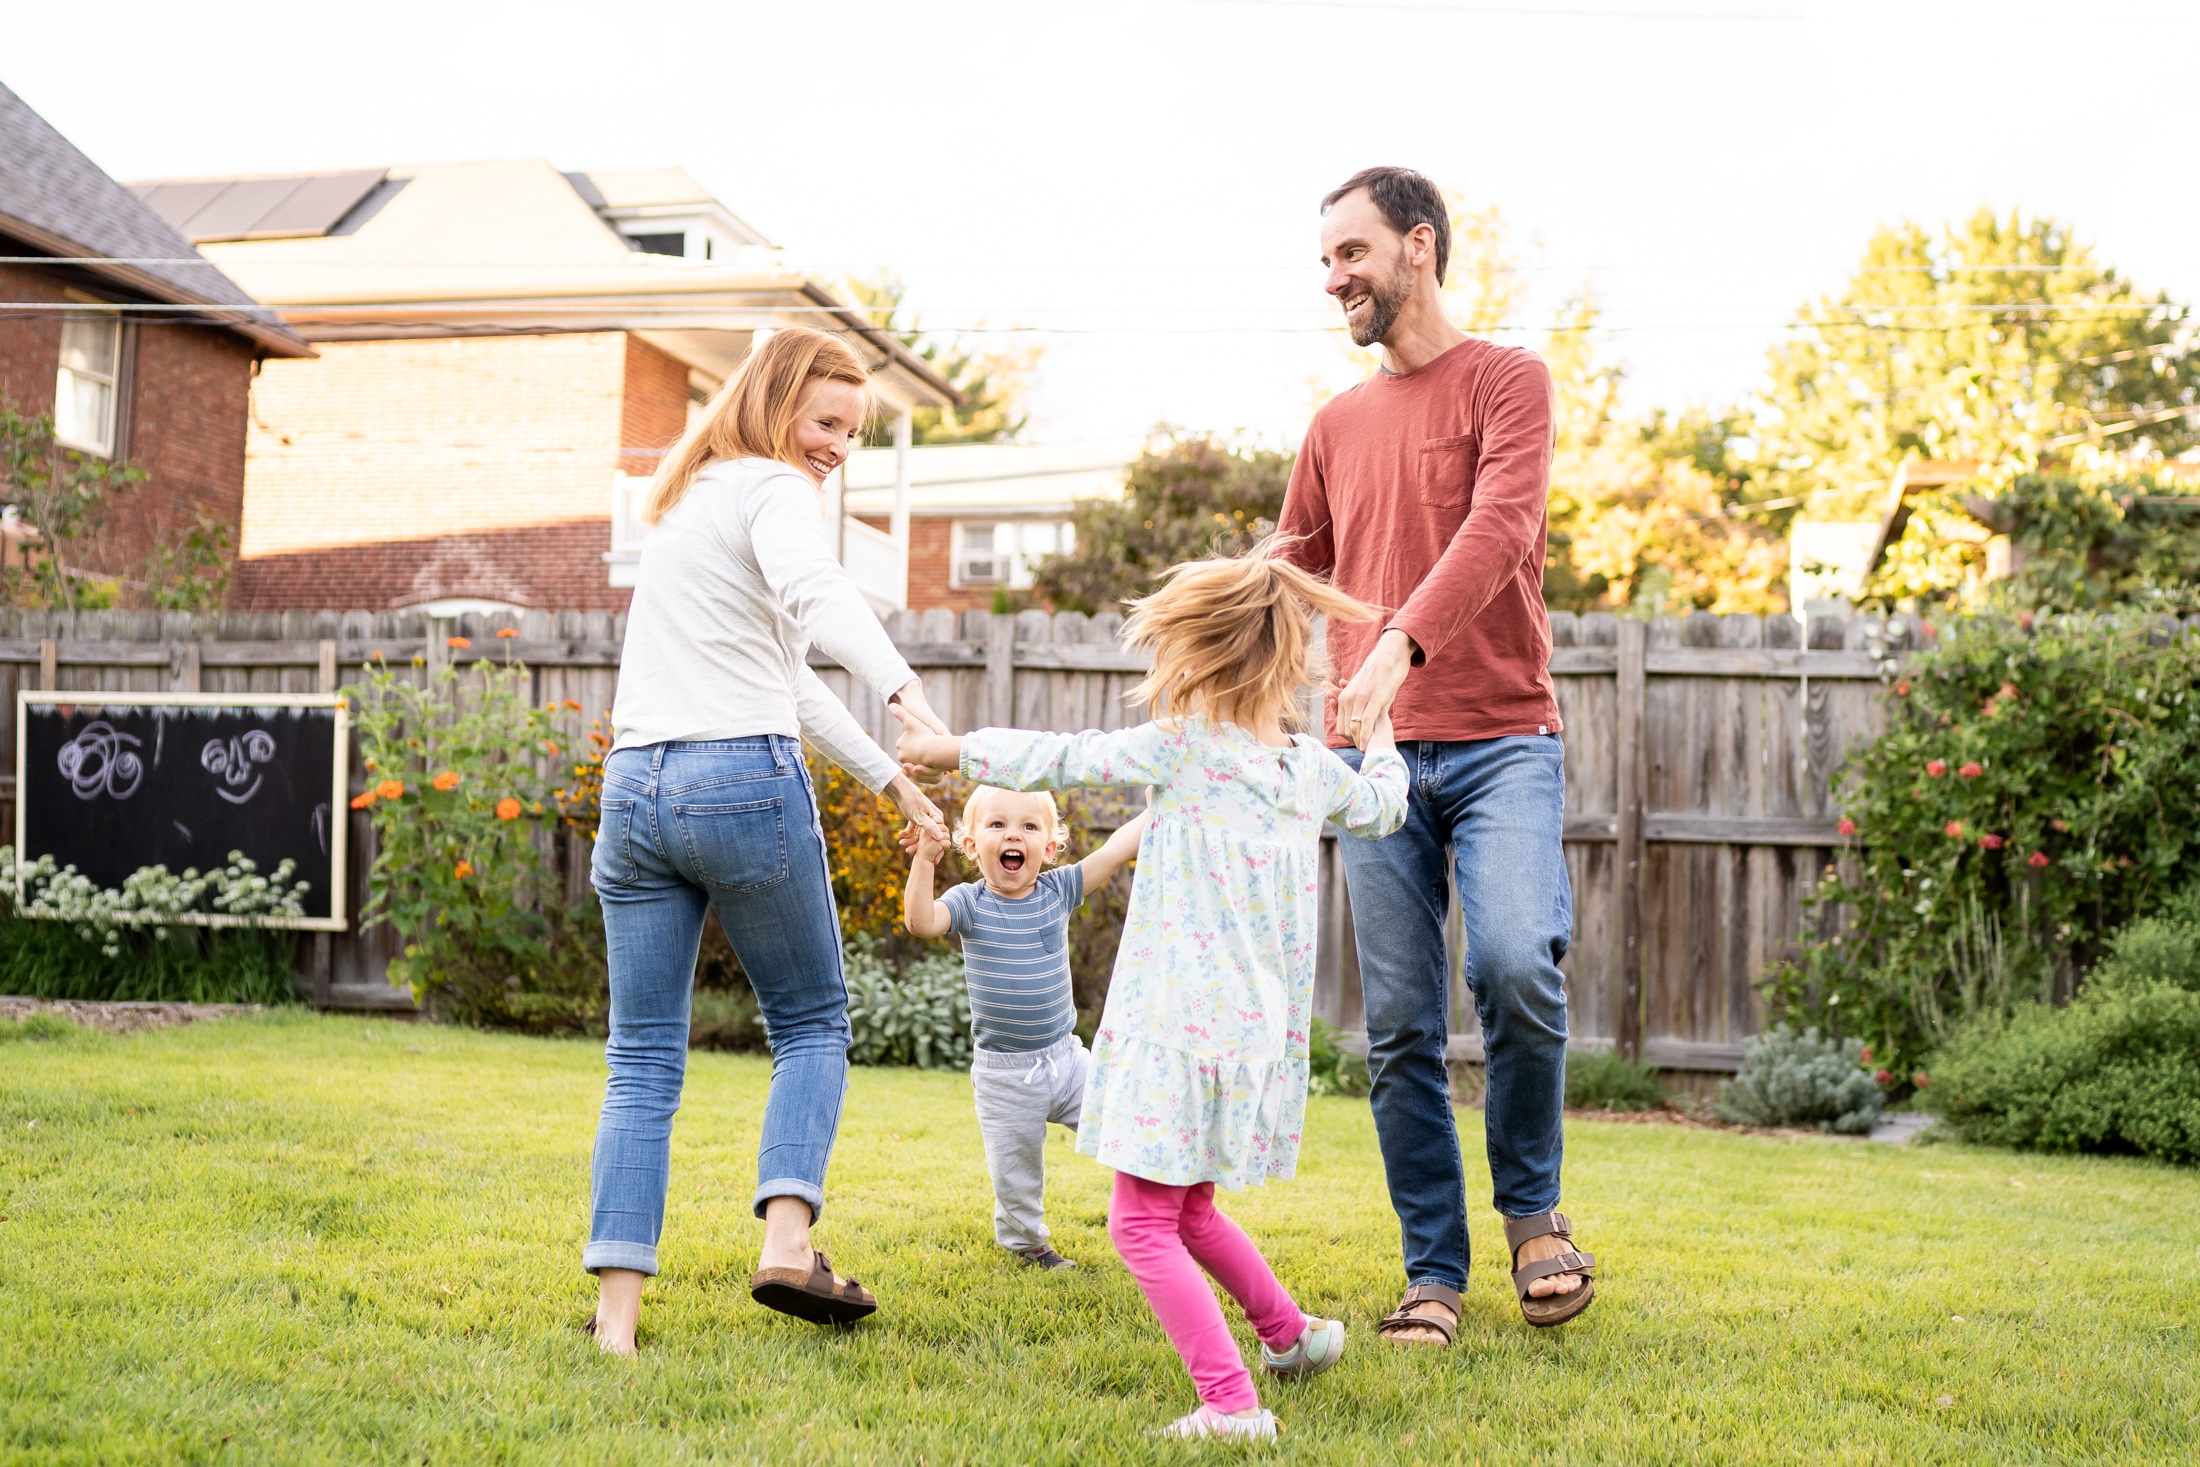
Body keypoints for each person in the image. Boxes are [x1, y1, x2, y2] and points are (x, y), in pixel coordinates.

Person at [893, 547, 1408, 1442]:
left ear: (1198, 658)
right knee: (1190, 1208)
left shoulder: (1184, 749)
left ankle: (1232, 1403)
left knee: (1139, 1224)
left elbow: (1067, 754)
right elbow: (1386, 807)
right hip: (1251, 1039)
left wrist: (950, 748)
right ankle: (1292, 1335)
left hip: (1175, 1031)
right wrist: (1385, 735)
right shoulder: (1312, 771)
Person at [582, 326, 954, 1355]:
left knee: (640, 1059)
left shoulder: (685, 501)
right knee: (810, 1021)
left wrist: (888, 774)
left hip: (635, 789)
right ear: (774, 402)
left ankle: (616, 1324)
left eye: (853, 431)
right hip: (737, 780)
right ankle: (787, 1246)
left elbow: (786, 681)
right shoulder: (772, 489)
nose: (836, 446)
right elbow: (819, 598)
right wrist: (907, 695)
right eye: (824, 421)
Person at [1278, 166, 1597, 1342]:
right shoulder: (1332, 426)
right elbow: (1287, 571)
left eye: (1350, 253)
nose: (1333, 279)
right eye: (1324, 260)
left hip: (1502, 733)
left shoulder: (1507, 381)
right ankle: (1433, 1271)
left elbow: (1502, 526)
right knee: (1401, 1023)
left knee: (1515, 963)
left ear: (1418, 246)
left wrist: (1397, 641)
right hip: (1373, 765)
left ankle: (1534, 1217)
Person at [900, 786, 1149, 1269]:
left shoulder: (1059, 891)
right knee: (1016, 1173)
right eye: (997, 825)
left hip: (1066, 1058)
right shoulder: (969, 902)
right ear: (971, 846)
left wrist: (1163, 803)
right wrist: (925, 861)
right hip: (1005, 1076)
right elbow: (921, 922)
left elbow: (1117, 848)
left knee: (1126, 1116)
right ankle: (1027, 1244)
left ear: (1050, 847)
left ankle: (1159, 1212)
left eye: (1029, 827)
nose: (1013, 835)